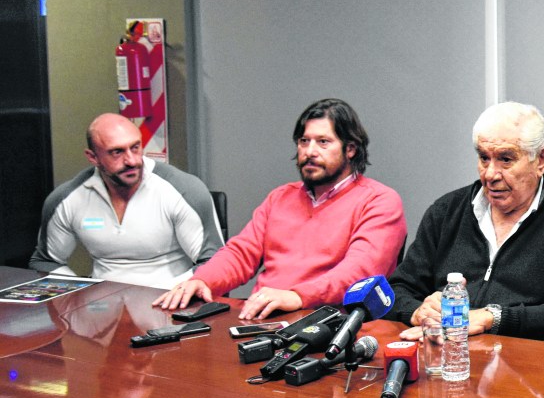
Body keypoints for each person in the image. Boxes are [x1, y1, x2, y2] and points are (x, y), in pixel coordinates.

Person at [153, 98, 407, 320]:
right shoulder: (280, 197)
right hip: (262, 317)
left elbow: (360, 273)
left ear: (350, 149)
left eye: (323, 142)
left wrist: (297, 296)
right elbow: (241, 253)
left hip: (329, 324)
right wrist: (202, 280)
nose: (310, 152)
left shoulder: (379, 200)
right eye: (304, 141)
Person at [385, 101, 544, 346]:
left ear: (541, 160)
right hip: (446, 354)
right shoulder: (446, 212)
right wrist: (418, 312)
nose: (490, 174)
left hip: (526, 360)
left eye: (506, 159)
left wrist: (493, 318)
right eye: (483, 158)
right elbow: (396, 290)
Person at [30, 113, 224, 289]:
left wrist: (173, 294)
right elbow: (46, 262)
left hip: (170, 299)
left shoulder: (184, 190)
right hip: (102, 305)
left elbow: (214, 263)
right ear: (93, 157)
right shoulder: (67, 199)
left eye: (135, 147)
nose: (131, 161)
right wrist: (79, 295)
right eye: (117, 152)